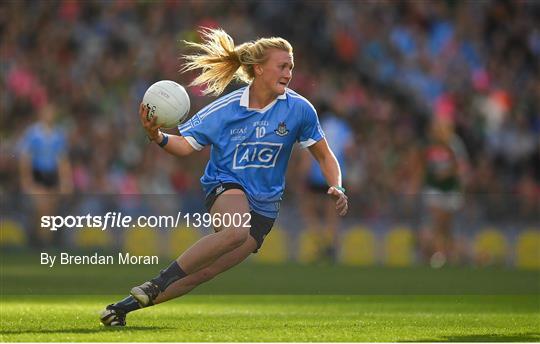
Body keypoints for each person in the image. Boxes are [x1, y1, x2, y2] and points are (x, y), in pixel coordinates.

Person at [100, 28, 348, 326]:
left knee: (204, 273)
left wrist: (337, 184)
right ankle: (157, 282)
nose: (289, 73)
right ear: (259, 68)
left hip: (265, 207)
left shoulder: (299, 109)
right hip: (225, 185)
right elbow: (185, 146)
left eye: (291, 67)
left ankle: (123, 308)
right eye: (282, 66)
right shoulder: (226, 108)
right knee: (235, 231)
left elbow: (324, 155)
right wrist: (157, 136)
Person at [299, 108, 354, 262]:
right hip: (334, 177)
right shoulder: (343, 127)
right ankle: (332, 247)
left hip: (316, 174)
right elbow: (349, 151)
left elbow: (307, 155)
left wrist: (302, 176)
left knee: (308, 210)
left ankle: (320, 243)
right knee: (332, 215)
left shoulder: (317, 125)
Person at [18, 102, 73, 247]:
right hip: (38, 174)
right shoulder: (33, 134)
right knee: (41, 208)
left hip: (52, 175)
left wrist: (65, 181)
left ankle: (44, 242)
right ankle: (38, 240)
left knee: (51, 211)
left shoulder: (58, 135)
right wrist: (26, 179)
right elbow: (25, 158)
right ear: (41, 114)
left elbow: (62, 160)